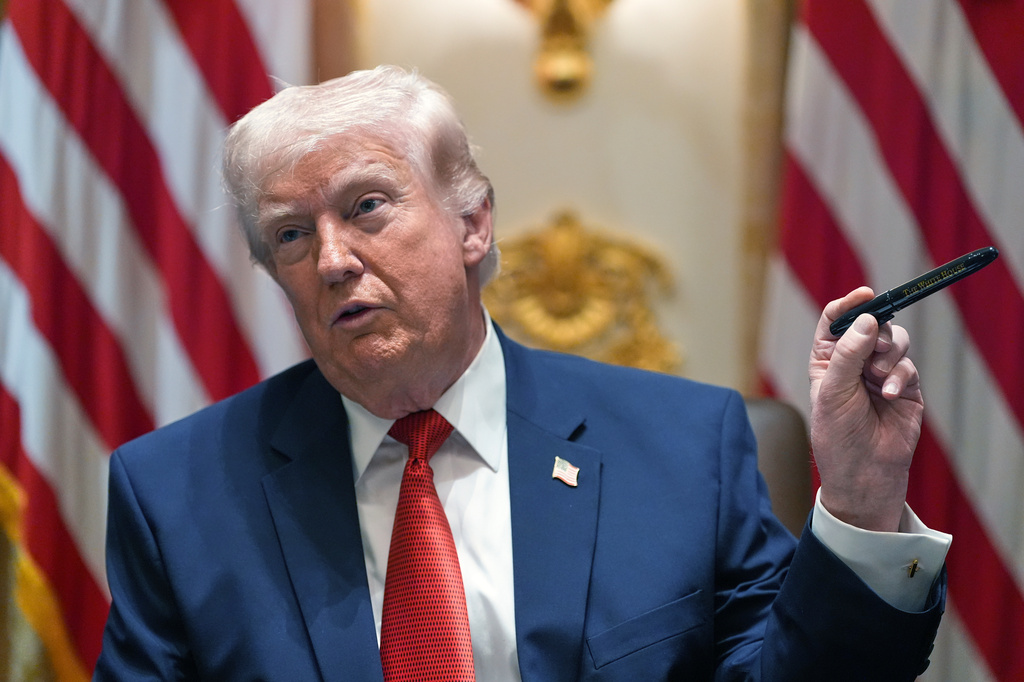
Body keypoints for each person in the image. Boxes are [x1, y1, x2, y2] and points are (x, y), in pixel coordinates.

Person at [94, 65, 950, 681]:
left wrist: (862, 503)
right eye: (288, 234)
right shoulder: (177, 495)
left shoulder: (684, 450)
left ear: (472, 223)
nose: (331, 261)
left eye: (367, 208)